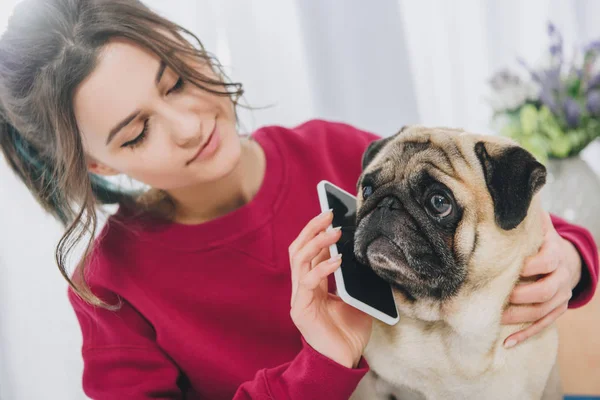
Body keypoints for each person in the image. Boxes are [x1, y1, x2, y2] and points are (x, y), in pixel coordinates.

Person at [0, 1, 597, 399]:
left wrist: (569, 261)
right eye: (137, 132)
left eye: (176, 79)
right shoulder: (109, 285)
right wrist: (318, 364)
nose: (185, 124)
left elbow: (509, 218)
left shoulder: (332, 150)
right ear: (99, 164)